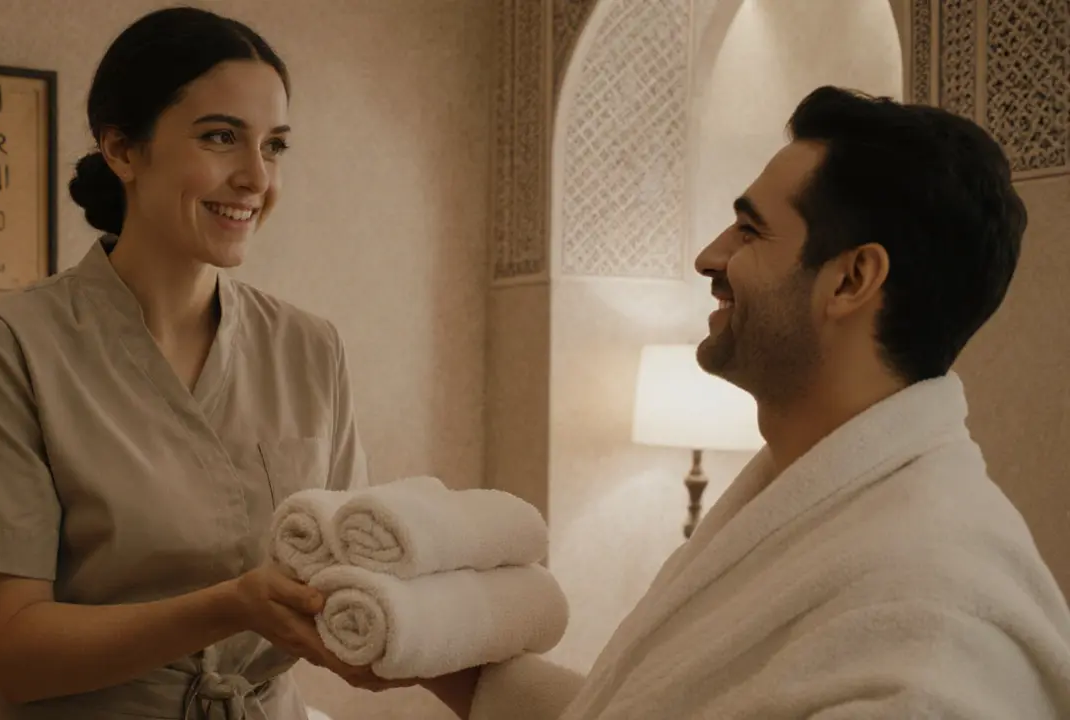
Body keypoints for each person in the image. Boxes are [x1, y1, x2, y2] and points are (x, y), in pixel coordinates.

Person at [419, 86, 1070, 719]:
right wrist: (436, 661)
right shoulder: (807, 510)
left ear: (851, 279)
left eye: (750, 231)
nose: (710, 257)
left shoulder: (935, 616)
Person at [0, 7, 392, 719]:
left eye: (274, 146)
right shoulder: (8, 344)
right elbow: (15, 651)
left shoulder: (311, 348)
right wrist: (230, 606)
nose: (256, 177)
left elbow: (353, 575)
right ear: (122, 150)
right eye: (220, 137)